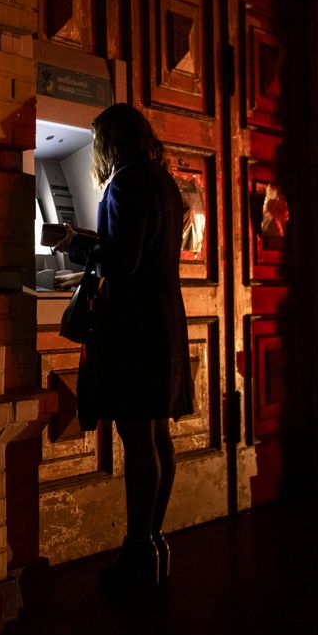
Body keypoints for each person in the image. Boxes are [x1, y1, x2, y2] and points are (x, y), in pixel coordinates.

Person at [52, 103, 194, 589]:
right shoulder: (162, 181)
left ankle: (137, 553)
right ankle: (154, 545)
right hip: (163, 318)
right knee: (157, 435)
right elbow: (140, 245)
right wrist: (91, 241)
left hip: (134, 325)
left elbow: (123, 258)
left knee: (138, 438)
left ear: (109, 142)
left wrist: (74, 245)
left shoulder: (126, 181)